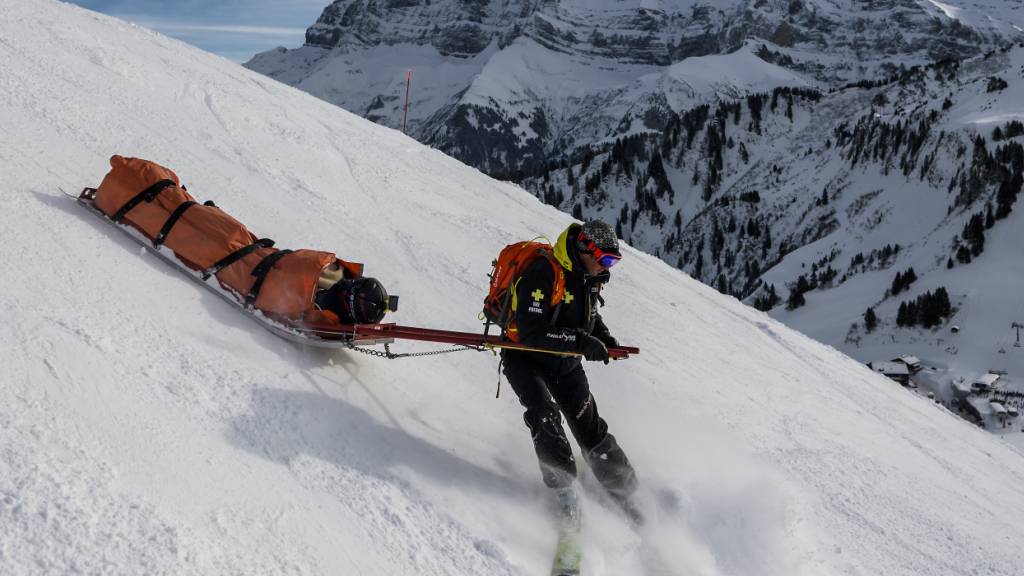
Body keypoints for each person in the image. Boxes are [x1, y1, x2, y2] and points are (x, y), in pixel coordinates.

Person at [500, 220, 639, 523]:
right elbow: (530, 332)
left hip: (565, 362)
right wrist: (580, 341)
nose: (607, 267)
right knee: (544, 414)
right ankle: (564, 493)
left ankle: (627, 493)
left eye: (613, 261)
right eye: (604, 259)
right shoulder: (542, 272)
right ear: (584, 250)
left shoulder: (588, 276)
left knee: (589, 427)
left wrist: (602, 337)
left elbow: (588, 315)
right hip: (526, 357)